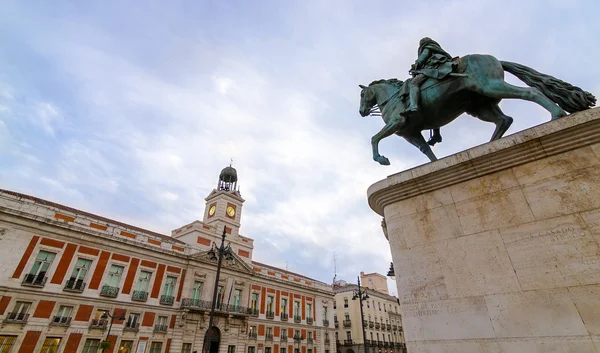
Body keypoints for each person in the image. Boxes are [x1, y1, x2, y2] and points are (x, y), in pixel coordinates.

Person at [406, 37, 456, 145]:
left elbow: (422, 59)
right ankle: (436, 135)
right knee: (434, 108)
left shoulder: (427, 48)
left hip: (432, 69)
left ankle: (413, 105)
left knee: (413, 83)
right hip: (438, 66)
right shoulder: (435, 48)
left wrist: (415, 65)